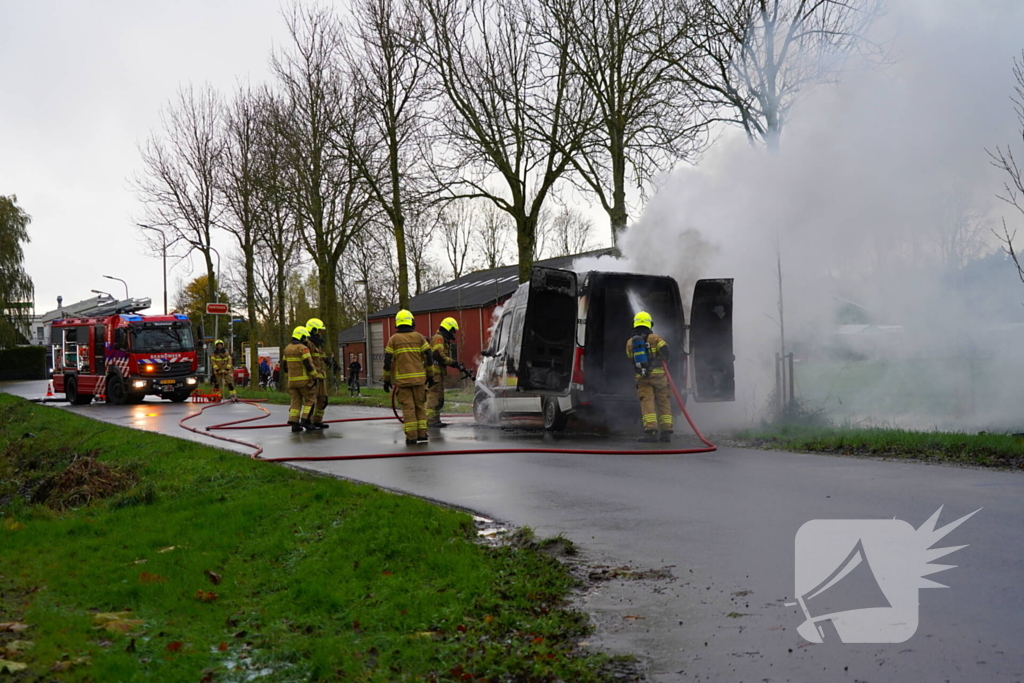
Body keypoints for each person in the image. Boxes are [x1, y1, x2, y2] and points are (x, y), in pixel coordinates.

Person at [382, 309, 435, 445]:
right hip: (419, 380)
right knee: (420, 407)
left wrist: (387, 380)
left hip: (403, 381)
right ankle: (422, 435)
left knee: (408, 408)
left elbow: (387, 361)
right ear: (411, 321)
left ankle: (411, 437)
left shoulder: (393, 339)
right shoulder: (419, 337)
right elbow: (429, 355)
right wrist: (430, 375)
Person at [627, 311, 673, 442]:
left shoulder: (630, 342)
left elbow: (631, 359)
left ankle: (651, 432)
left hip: (643, 377)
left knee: (647, 402)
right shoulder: (655, 338)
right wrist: (658, 361)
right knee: (663, 401)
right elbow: (666, 353)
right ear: (650, 324)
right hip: (660, 377)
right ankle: (666, 432)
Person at [426, 317, 470, 428]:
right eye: (453, 331)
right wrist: (454, 363)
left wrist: (456, 364)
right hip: (434, 373)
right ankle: (431, 421)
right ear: (448, 328)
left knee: (438, 397)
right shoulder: (439, 338)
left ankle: (435, 420)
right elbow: (438, 355)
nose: (453, 334)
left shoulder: (442, 339)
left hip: (437, 372)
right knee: (434, 397)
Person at [283, 326, 323, 432]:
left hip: (292, 381)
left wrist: (289, 376)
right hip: (304, 381)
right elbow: (308, 364)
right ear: (302, 336)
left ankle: (294, 423)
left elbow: (284, 366)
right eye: (305, 337)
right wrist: (315, 376)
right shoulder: (303, 348)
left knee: (295, 401)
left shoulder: (287, 348)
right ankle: (305, 420)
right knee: (311, 399)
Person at [305, 318, 330, 429]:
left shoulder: (318, 344)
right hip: (313, 377)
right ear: (313, 330)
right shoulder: (308, 343)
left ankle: (317, 421)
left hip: (321, 376)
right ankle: (309, 421)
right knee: (312, 401)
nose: (321, 333)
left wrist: (328, 360)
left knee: (323, 400)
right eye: (319, 330)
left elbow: (321, 356)